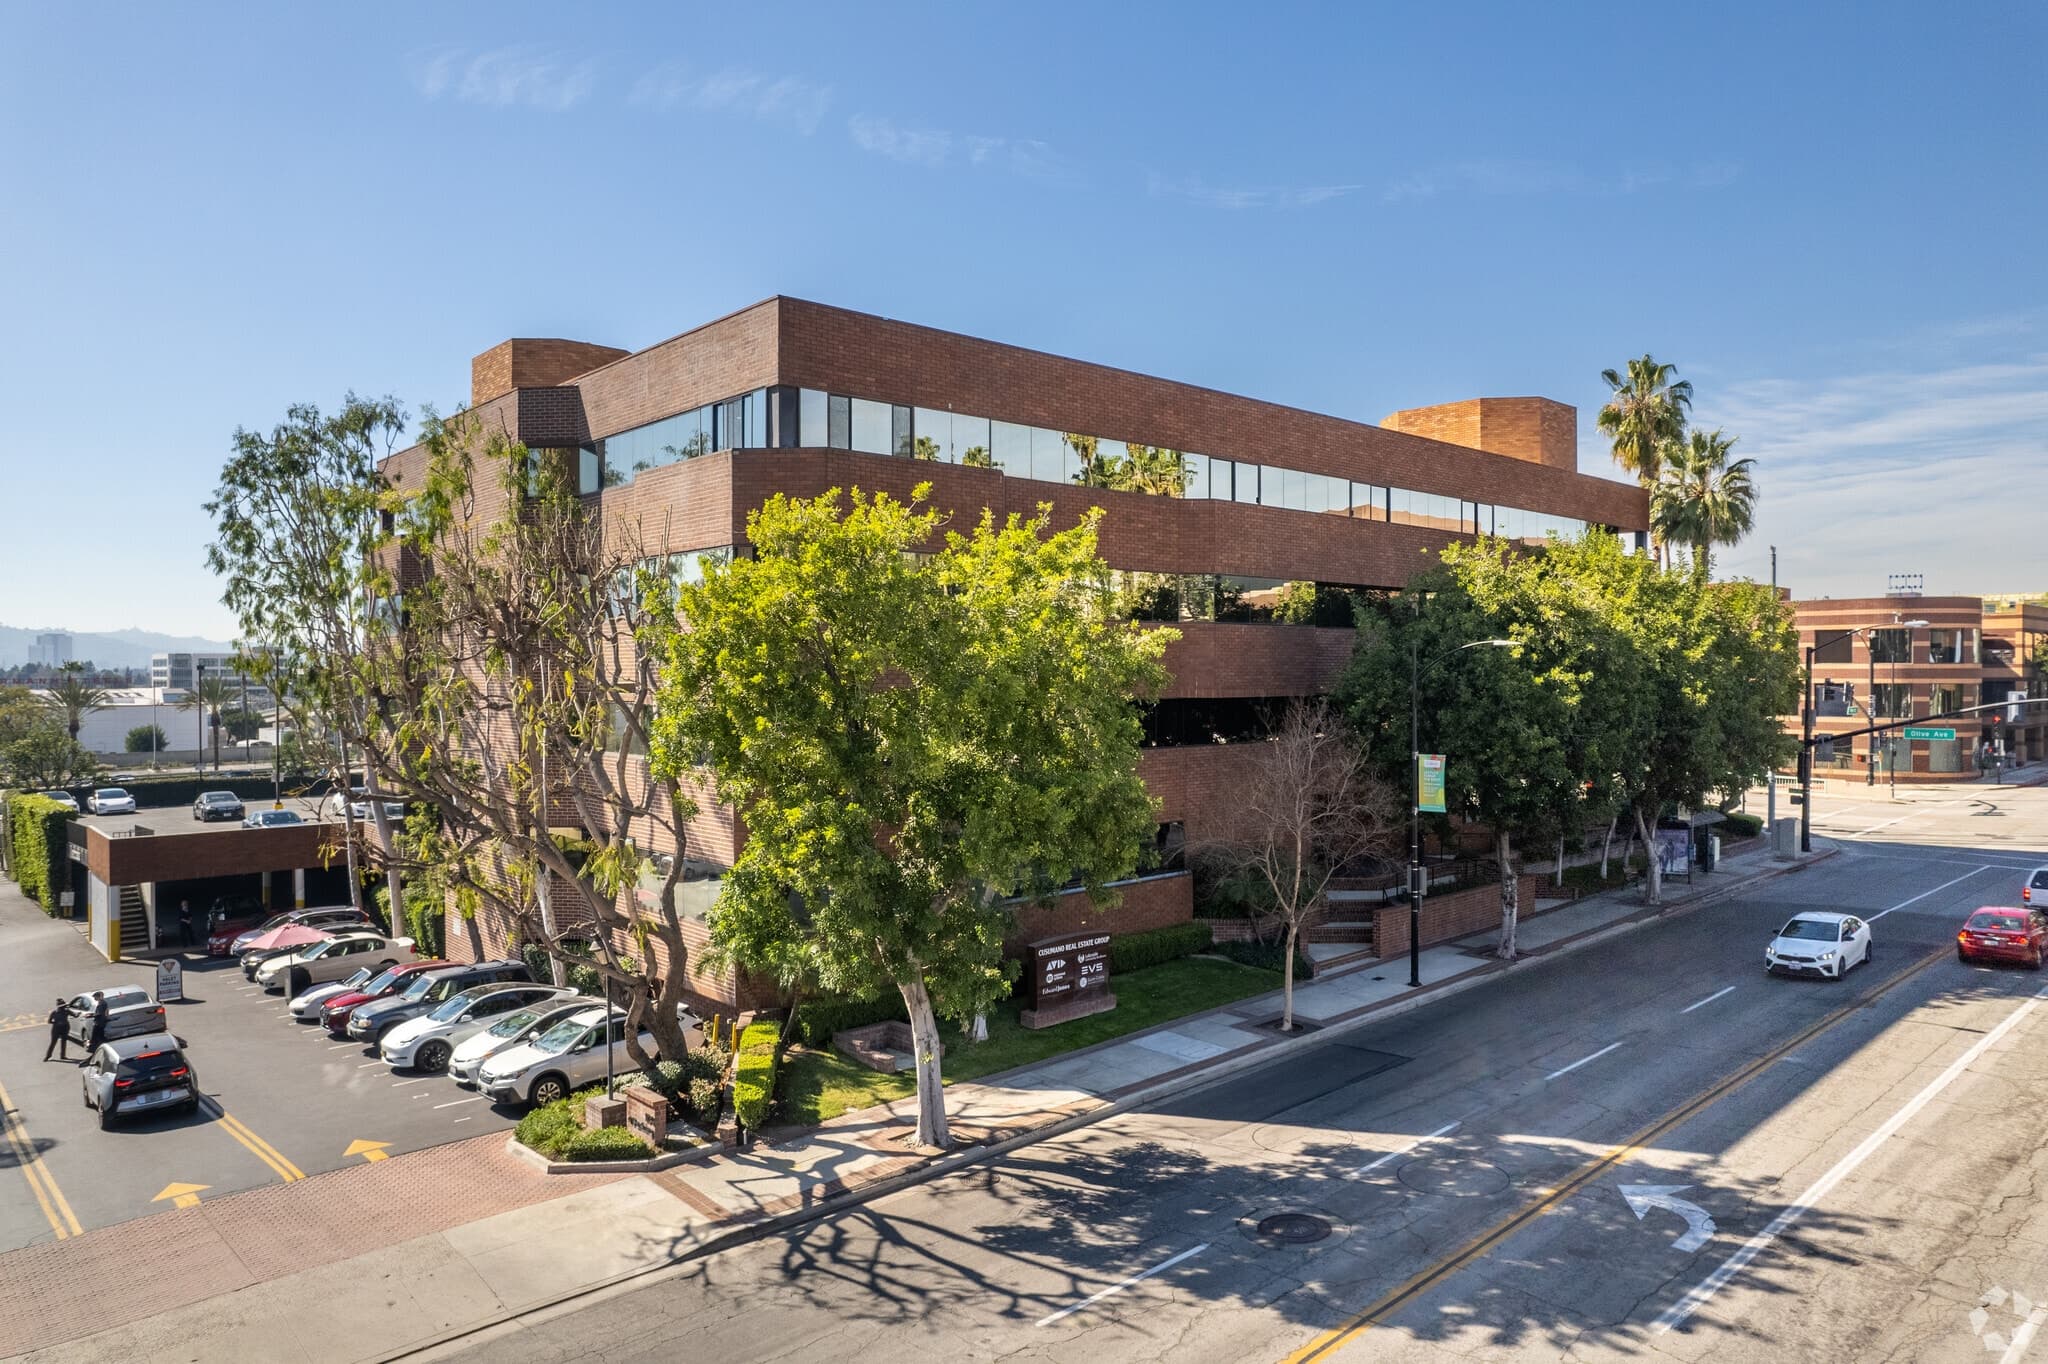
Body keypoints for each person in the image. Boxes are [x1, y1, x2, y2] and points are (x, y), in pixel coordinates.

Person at [78, 991, 108, 1066]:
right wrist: (92, 1014)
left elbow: (99, 1014)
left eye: (95, 997)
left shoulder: (102, 1004)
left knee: (94, 1039)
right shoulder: (102, 1003)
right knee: (100, 1039)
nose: (94, 998)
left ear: (98, 997)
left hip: (99, 1024)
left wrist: (90, 1016)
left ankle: (95, 1053)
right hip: (100, 1023)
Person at [43, 998, 72, 1063]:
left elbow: (74, 1015)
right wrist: (56, 1023)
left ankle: (62, 1055)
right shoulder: (55, 1012)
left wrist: (78, 1014)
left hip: (63, 1028)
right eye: (63, 1006)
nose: (65, 1007)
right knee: (54, 1042)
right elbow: (49, 1021)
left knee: (63, 1042)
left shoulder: (65, 1011)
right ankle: (48, 1056)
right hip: (58, 1029)